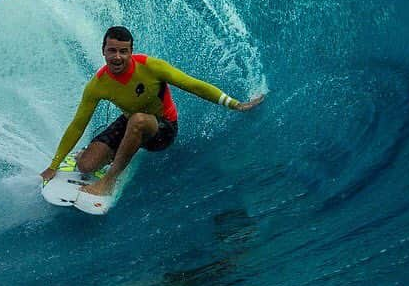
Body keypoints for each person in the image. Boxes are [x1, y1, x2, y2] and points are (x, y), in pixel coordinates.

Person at [40, 26, 264, 197]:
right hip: (130, 122)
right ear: (103, 51)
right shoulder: (97, 85)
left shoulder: (151, 67)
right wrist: (53, 166)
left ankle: (109, 179)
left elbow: (194, 85)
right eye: (112, 51)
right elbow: (78, 123)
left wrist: (235, 104)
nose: (117, 56)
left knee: (137, 120)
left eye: (123, 51)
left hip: (163, 130)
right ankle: (99, 154)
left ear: (131, 52)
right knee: (86, 166)